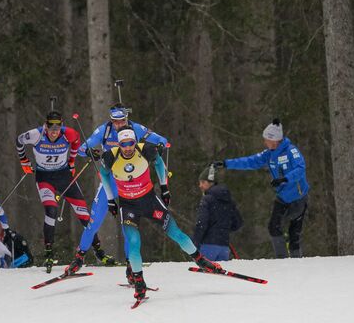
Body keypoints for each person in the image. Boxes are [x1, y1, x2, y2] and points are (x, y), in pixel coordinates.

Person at [66, 126, 223, 303]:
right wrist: (111, 200)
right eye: (124, 144)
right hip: (128, 205)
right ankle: (139, 281)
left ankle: (201, 261)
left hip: (149, 200)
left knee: (175, 233)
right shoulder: (110, 156)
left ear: (135, 142)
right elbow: (104, 174)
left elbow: (159, 165)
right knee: (133, 243)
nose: (127, 148)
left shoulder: (146, 149)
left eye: (131, 143)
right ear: (119, 143)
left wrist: (164, 188)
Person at [71, 103, 168, 281]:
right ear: (111, 120)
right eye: (115, 121)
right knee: (94, 221)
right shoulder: (104, 131)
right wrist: (91, 152)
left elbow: (162, 140)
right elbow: (81, 149)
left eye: (122, 120)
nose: (119, 124)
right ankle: (79, 257)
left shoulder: (136, 129)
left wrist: (159, 148)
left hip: (130, 185)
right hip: (111, 182)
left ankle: (131, 268)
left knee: (128, 227)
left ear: (127, 118)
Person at [16, 110, 113, 273]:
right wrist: (24, 160)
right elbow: (19, 140)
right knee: (51, 210)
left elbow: (76, 143)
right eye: (51, 128)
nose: (54, 132)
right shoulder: (36, 135)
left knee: (85, 216)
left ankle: (99, 252)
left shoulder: (69, 133)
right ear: (45, 126)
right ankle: (49, 253)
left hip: (64, 176)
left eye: (58, 128)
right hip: (44, 177)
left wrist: (72, 161)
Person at [214, 119, 309, 258]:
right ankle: (282, 260)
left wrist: (285, 179)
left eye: (266, 140)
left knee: (294, 234)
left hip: (298, 197)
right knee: (273, 227)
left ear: (274, 140)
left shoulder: (291, 150)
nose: (264, 142)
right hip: (282, 197)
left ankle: (296, 260)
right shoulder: (269, 153)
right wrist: (226, 164)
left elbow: (301, 168)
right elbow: (250, 161)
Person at [193, 164, 243, 261]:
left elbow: (201, 223)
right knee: (220, 276)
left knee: (203, 275)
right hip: (224, 247)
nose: (200, 185)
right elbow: (238, 222)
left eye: (203, 182)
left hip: (207, 245)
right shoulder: (228, 199)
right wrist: (222, 230)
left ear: (211, 182)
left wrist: (194, 243)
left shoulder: (207, 199)